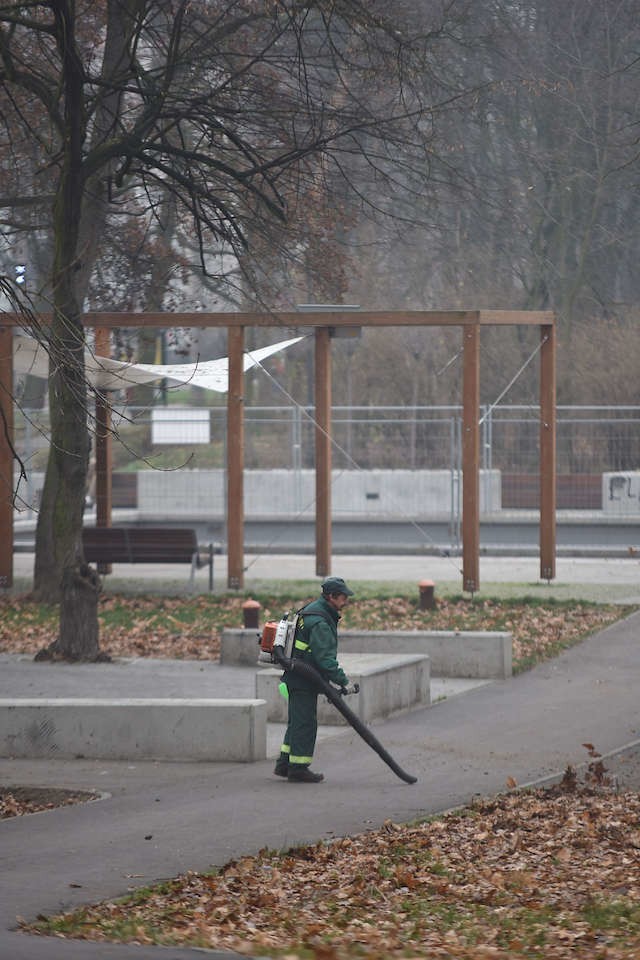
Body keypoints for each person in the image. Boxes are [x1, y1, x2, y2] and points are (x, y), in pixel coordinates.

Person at [274, 576, 358, 783]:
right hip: (303, 680)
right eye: (343, 597)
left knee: (296, 723)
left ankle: (285, 764)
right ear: (331, 597)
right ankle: (298, 768)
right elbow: (325, 659)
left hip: (296, 676)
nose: (345, 601)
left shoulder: (311, 610)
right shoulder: (320, 622)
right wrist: (343, 681)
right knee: (305, 725)